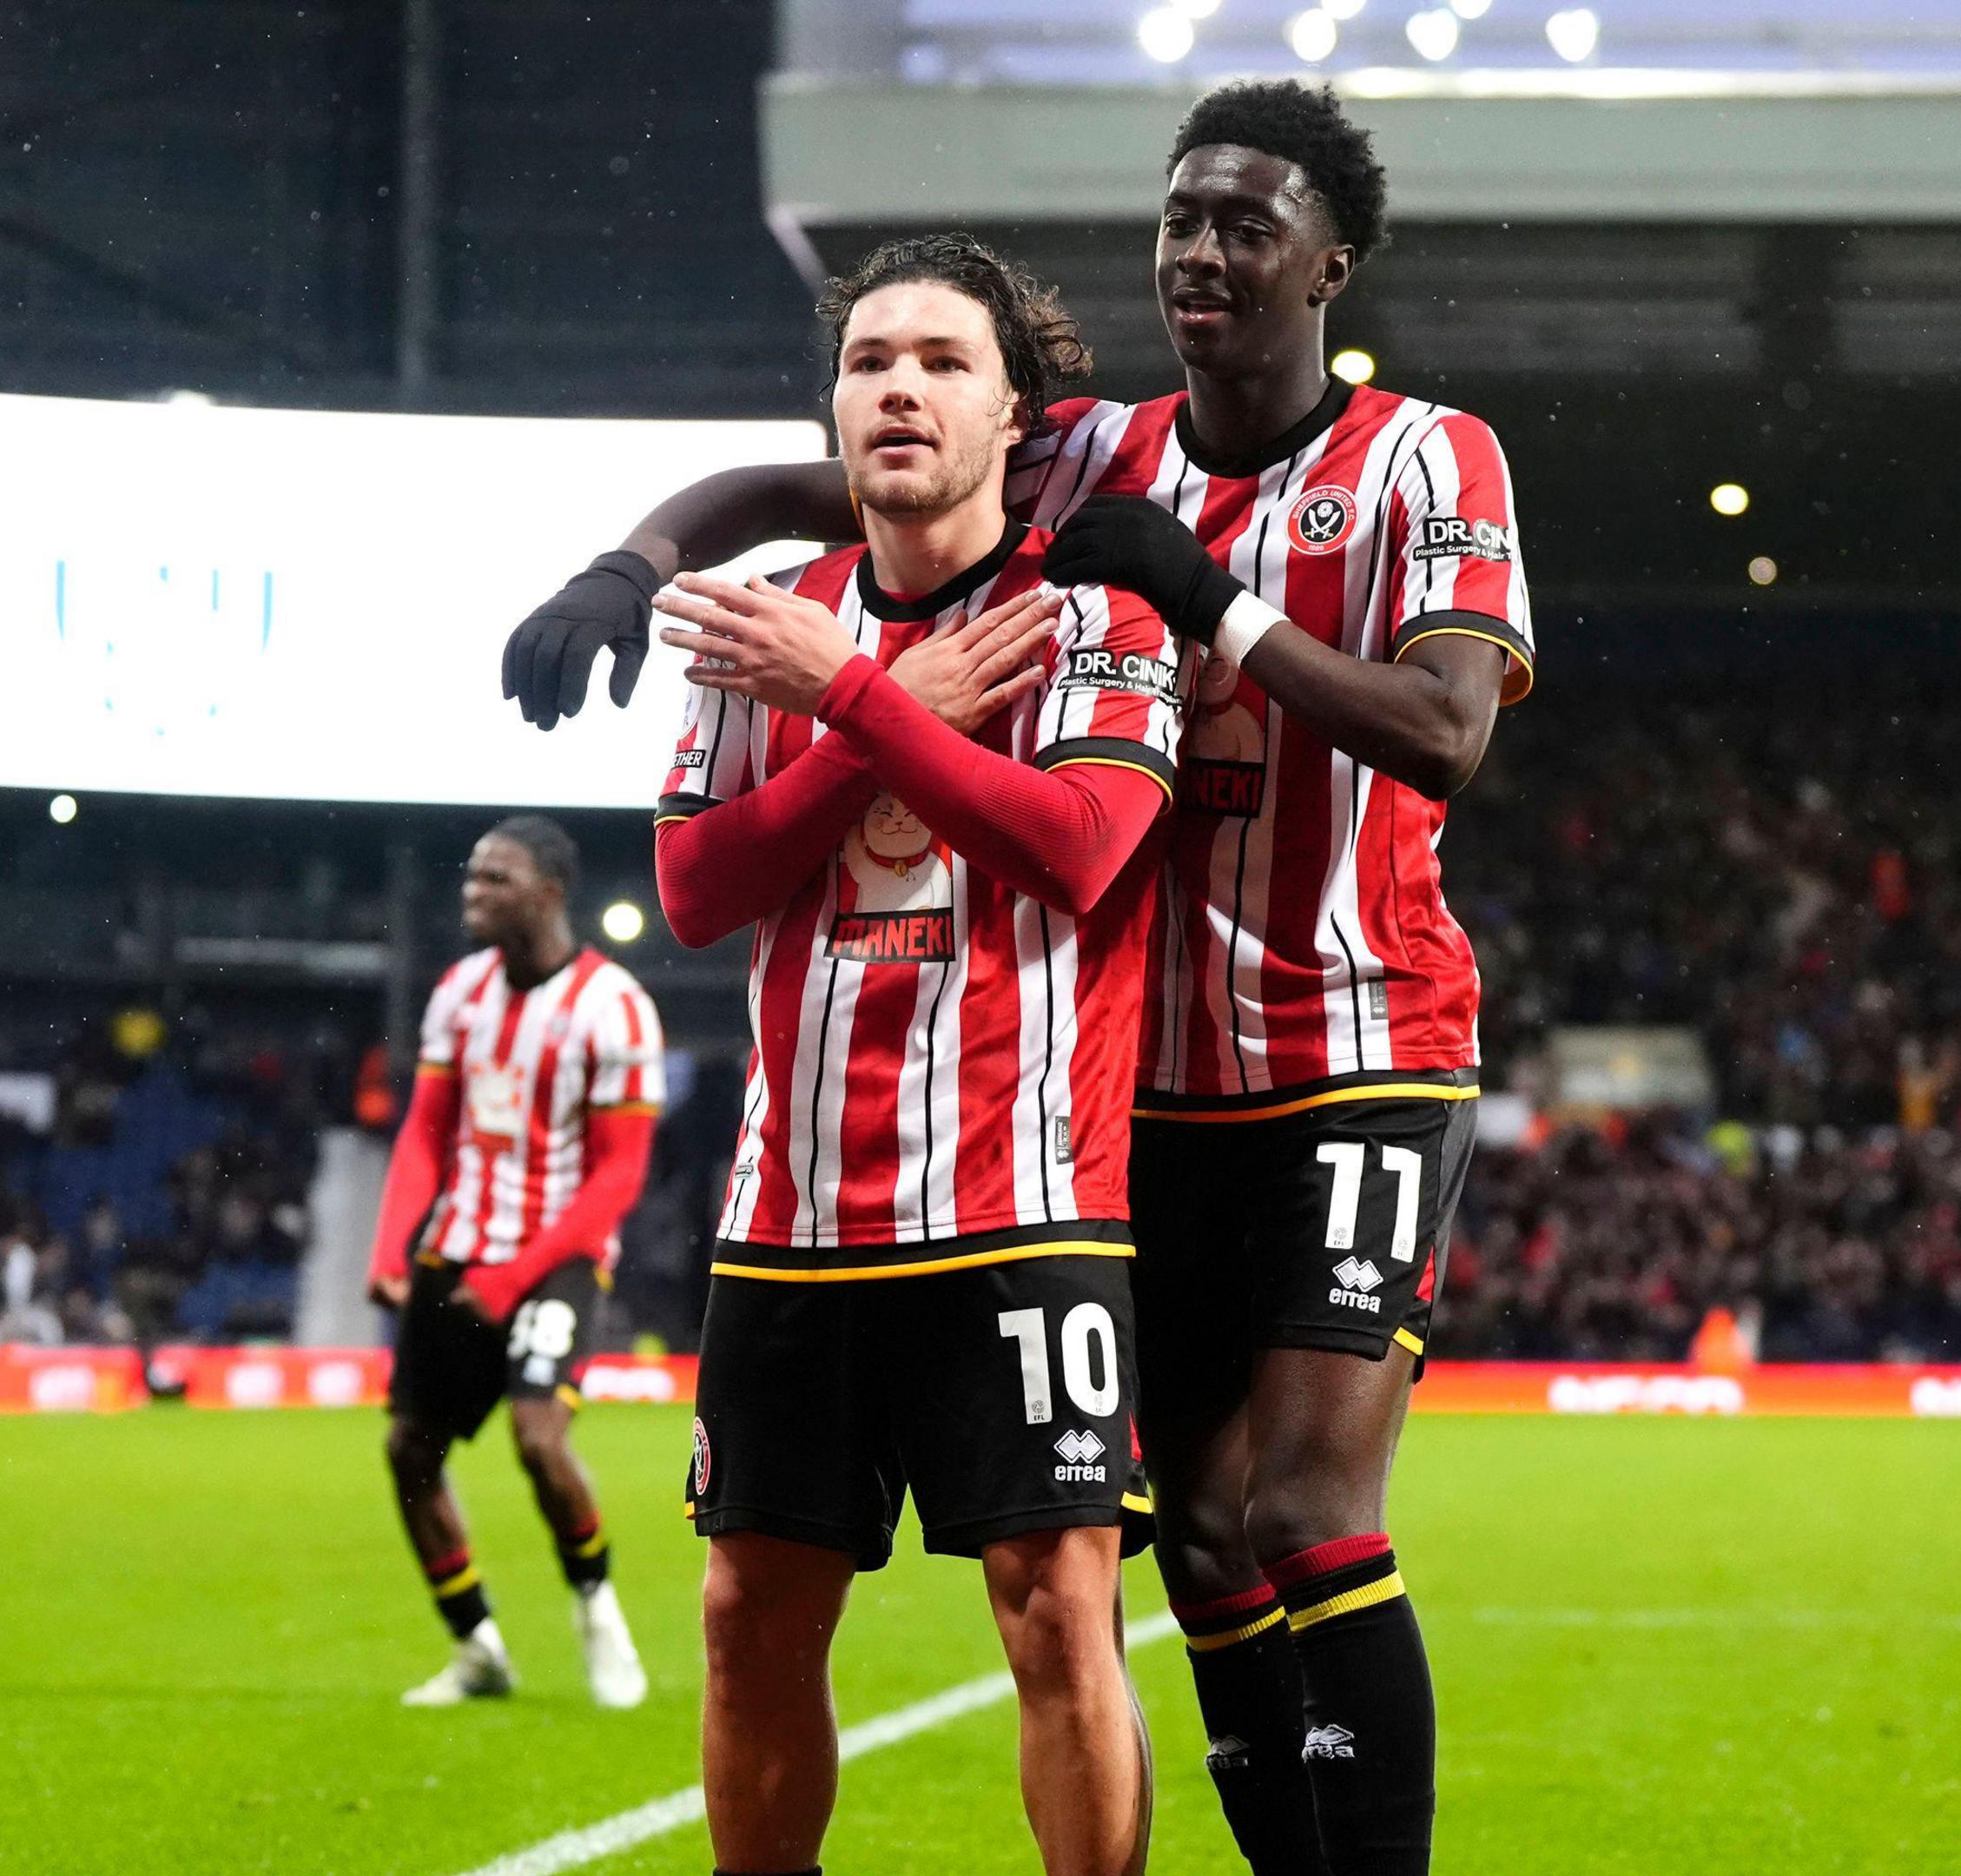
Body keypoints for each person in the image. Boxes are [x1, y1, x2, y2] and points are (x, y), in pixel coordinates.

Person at [511, 82, 1529, 1876]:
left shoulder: (1425, 458)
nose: (1204, 251)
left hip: (1355, 1034)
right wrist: (633, 559)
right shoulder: (1093, 455)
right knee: (1195, 1541)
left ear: (1332, 264)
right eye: (1182, 219)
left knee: (1295, 1511)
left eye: (1248, 225)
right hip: (1151, 1084)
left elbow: (1446, 734)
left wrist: (1218, 609)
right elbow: (797, 478)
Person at [651, 233, 1184, 1876]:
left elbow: (1082, 848)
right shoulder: (768, 630)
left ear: (1013, 411)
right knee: (748, 1615)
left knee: (1052, 1616)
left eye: (944, 362)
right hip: (791, 1222)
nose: (900, 386)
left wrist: (862, 704)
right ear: (834, 406)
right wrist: (873, 696)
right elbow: (693, 887)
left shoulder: (1103, 620)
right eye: (871, 358)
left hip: (1023, 1206)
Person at [369, 815, 663, 1708]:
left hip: (555, 1260)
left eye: (496, 879)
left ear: (549, 891)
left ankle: (597, 1606)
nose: (474, 893)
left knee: (539, 1439)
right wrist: (392, 1250)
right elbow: (425, 1132)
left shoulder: (613, 1007)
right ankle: (477, 1647)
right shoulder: (459, 993)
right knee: (410, 1449)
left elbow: (618, 1179)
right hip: (458, 1247)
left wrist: (508, 1280)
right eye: (472, 878)